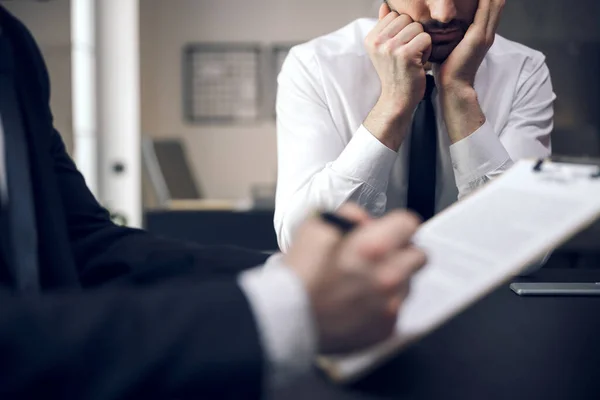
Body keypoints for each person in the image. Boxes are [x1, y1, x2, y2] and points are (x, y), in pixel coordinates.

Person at [0, 6, 427, 399]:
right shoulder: (317, 64)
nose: (443, 12)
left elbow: (83, 241)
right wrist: (279, 308)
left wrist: (289, 276)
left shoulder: (9, 39)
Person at [274, 0, 555, 251]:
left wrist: (458, 93)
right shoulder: (317, 67)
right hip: (357, 302)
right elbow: (301, 242)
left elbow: (528, 250)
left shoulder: (523, 70)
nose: (444, 13)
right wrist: (394, 103)